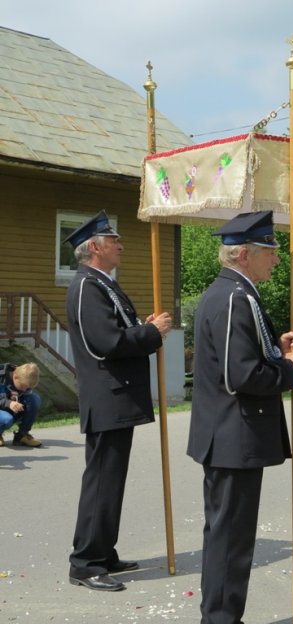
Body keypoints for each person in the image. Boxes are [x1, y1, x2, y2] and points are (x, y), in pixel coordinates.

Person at [187, 211, 293, 624]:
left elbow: (241, 357)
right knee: (229, 539)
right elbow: (239, 376)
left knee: (231, 538)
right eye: (268, 251)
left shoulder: (235, 292)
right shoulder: (234, 297)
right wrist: (291, 369)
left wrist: (275, 349)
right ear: (243, 254)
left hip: (230, 434)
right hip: (232, 434)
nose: (276, 259)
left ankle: (223, 623)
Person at [64, 211, 172, 592]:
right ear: (95, 248)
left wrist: (143, 328)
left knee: (111, 481)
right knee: (102, 481)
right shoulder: (87, 287)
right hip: (107, 398)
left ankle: (102, 551)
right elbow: (106, 343)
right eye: (114, 240)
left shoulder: (102, 284)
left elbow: (118, 331)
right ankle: (86, 563)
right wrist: (150, 333)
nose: (121, 246)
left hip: (116, 397)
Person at [0, 362, 43, 447]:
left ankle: (22, 435)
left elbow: (28, 398)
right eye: (23, 386)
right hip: (3, 411)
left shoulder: (24, 378)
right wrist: (8, 403)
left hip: (11, 409)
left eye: (27, 388)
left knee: (34, 399)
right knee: (6, 419)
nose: (24, 390)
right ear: (15, 377)